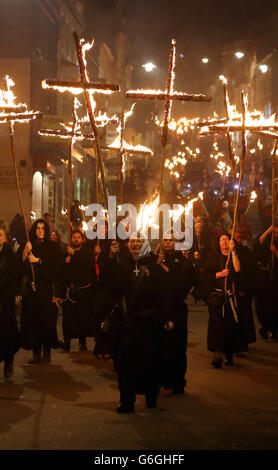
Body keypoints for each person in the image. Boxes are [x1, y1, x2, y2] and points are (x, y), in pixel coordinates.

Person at [108, 233, 162, 413]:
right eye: (133, 241)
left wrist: (151, 275)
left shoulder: (153, 264)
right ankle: (127, 400)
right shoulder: (122, 264)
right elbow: (113, 288)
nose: (136, 244)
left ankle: (151, 395)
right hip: (127, 322)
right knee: (125, 363)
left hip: (148, 322)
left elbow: (162, 292)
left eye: (139, 241)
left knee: (150, 360)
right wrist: (112, 260)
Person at [154, 232, 195, 394]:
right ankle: (161, 379)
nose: (168, 243)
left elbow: (182, 284)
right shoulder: (157, 259)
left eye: (171, 240)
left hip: (177, 308)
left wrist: (163, 267)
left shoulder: (184, 261)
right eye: (165, 240)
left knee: (177, 347)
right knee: (159, 346)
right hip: (159, 308)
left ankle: (178, 381)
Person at [19, 219, 64, 364]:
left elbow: (57, 266)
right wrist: (25, 253)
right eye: (37, 228)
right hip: (32, 292)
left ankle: (47, 353)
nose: (40, 231)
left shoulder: (53, 246)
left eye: (43, 228)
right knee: (34, 323)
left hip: (47, 290)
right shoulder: (28, 245)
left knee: (47, 323)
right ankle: (36, 353)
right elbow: (19, 267)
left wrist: (39, 261)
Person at [203, 234, 241, 368]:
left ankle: (229, 354)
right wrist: (219, 274)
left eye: (226, 239)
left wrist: (233, 251)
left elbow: (237, 269)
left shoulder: (232, 256)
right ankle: (217, 354)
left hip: (229, 297)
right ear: (218, 243)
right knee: (216, 325)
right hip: (215, 298)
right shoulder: (213, 257)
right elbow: (205, 275)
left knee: (229, 326)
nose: (224, 242)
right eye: (222, 239)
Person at [61, 230, 96, 352]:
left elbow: (86, 267)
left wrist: (74, 256)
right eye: (74, 237)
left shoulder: (87, 253)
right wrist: (66, 262)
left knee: (82, 317)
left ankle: (82, 342)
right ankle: (67, 341)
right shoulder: (66, 252)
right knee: (69, 318)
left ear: (82, 239)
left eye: (78, 237)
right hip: (70, 290)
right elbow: (63, 272)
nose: (76, 239)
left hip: (84, 290)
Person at [0, 228, 21, 378]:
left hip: (5, 302)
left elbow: (15, 279)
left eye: (0, 235)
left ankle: (8, 362)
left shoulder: (10, 256)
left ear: (5, 238)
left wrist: (9, 296)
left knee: (6, 335)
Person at [253, 225, 278, 340]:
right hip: (263, 278)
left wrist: (275, 251)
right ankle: (266, 327)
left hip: (275, 279)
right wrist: (268, 231)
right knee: (261, 306)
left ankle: (273, 329)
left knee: (273, 306)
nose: (275, 235)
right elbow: (256, 244)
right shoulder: (267, 238)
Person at [234, 230, 257, 354]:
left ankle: (244, 341)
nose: (238, 238)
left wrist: (244, 288)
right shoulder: (231, 252)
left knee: (244, 317)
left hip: (244, 290)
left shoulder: (247, 252)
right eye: (236, 236)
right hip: (233, 290)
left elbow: (250, 271)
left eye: (240, 236)